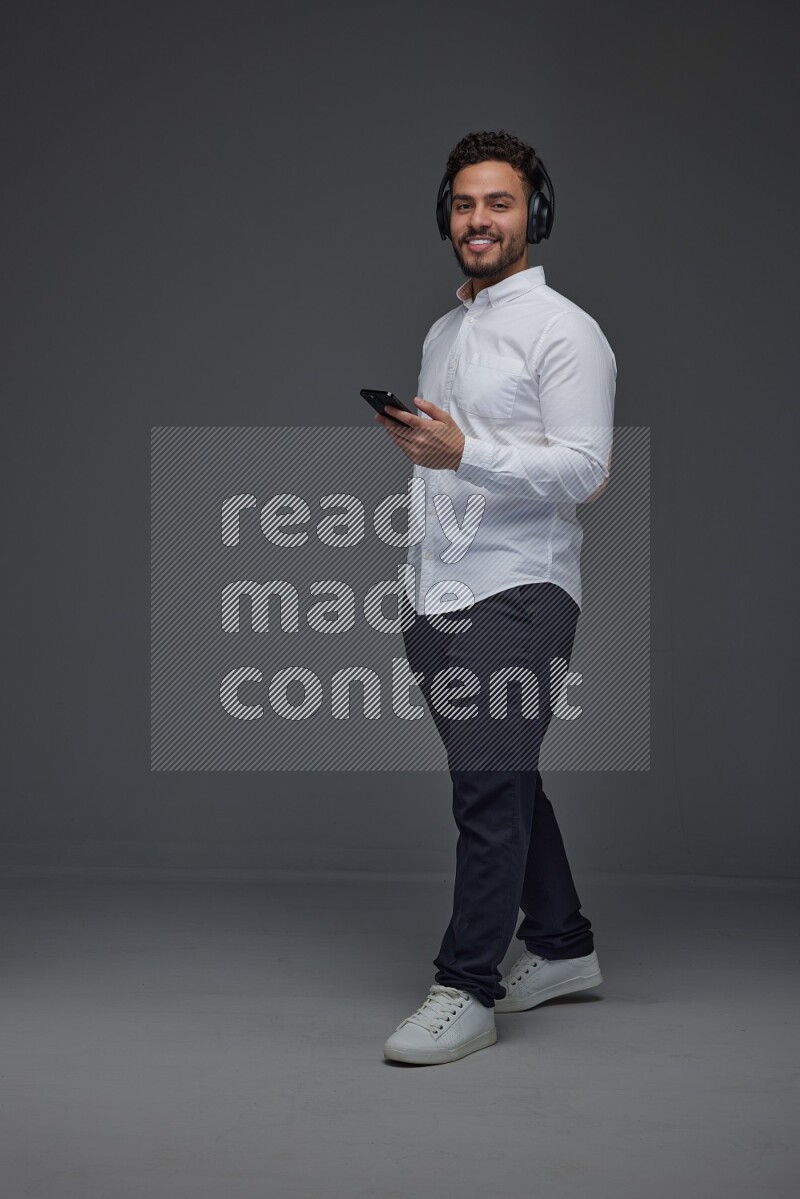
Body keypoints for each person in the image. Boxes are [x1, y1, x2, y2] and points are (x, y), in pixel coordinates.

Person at [374, 130, 616, 1066]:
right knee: (503, 778)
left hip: (520, 592)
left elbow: (587, 469)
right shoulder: (447, 330)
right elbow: (444, 464)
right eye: (466, 204)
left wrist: (464, 451)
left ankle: (464, 984)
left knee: (486, 787)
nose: (480, 220)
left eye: (500, 203)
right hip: (441, 591)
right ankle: (562, 946)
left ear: (533, 215)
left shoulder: (565, 330)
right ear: (449, 214)